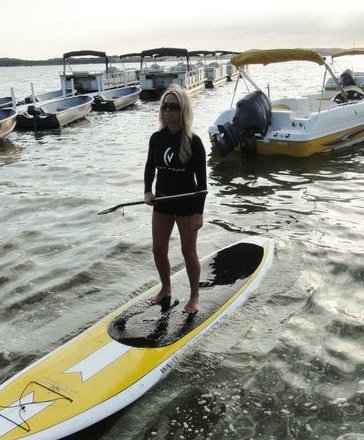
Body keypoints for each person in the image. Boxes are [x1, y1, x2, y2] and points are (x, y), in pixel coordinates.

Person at [144, 84, 207, 315]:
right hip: (162, 202)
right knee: (158, 248)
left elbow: (202, 183)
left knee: (188, 251)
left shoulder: (194, 142)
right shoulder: (156, 138)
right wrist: (147, 191)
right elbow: (150, 167)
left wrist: (199, 213)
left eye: (173, 107)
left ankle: (194, 296)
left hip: (187, 204)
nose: (167, 111)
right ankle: (166, 289)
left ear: (183, 110)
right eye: (165, 106)